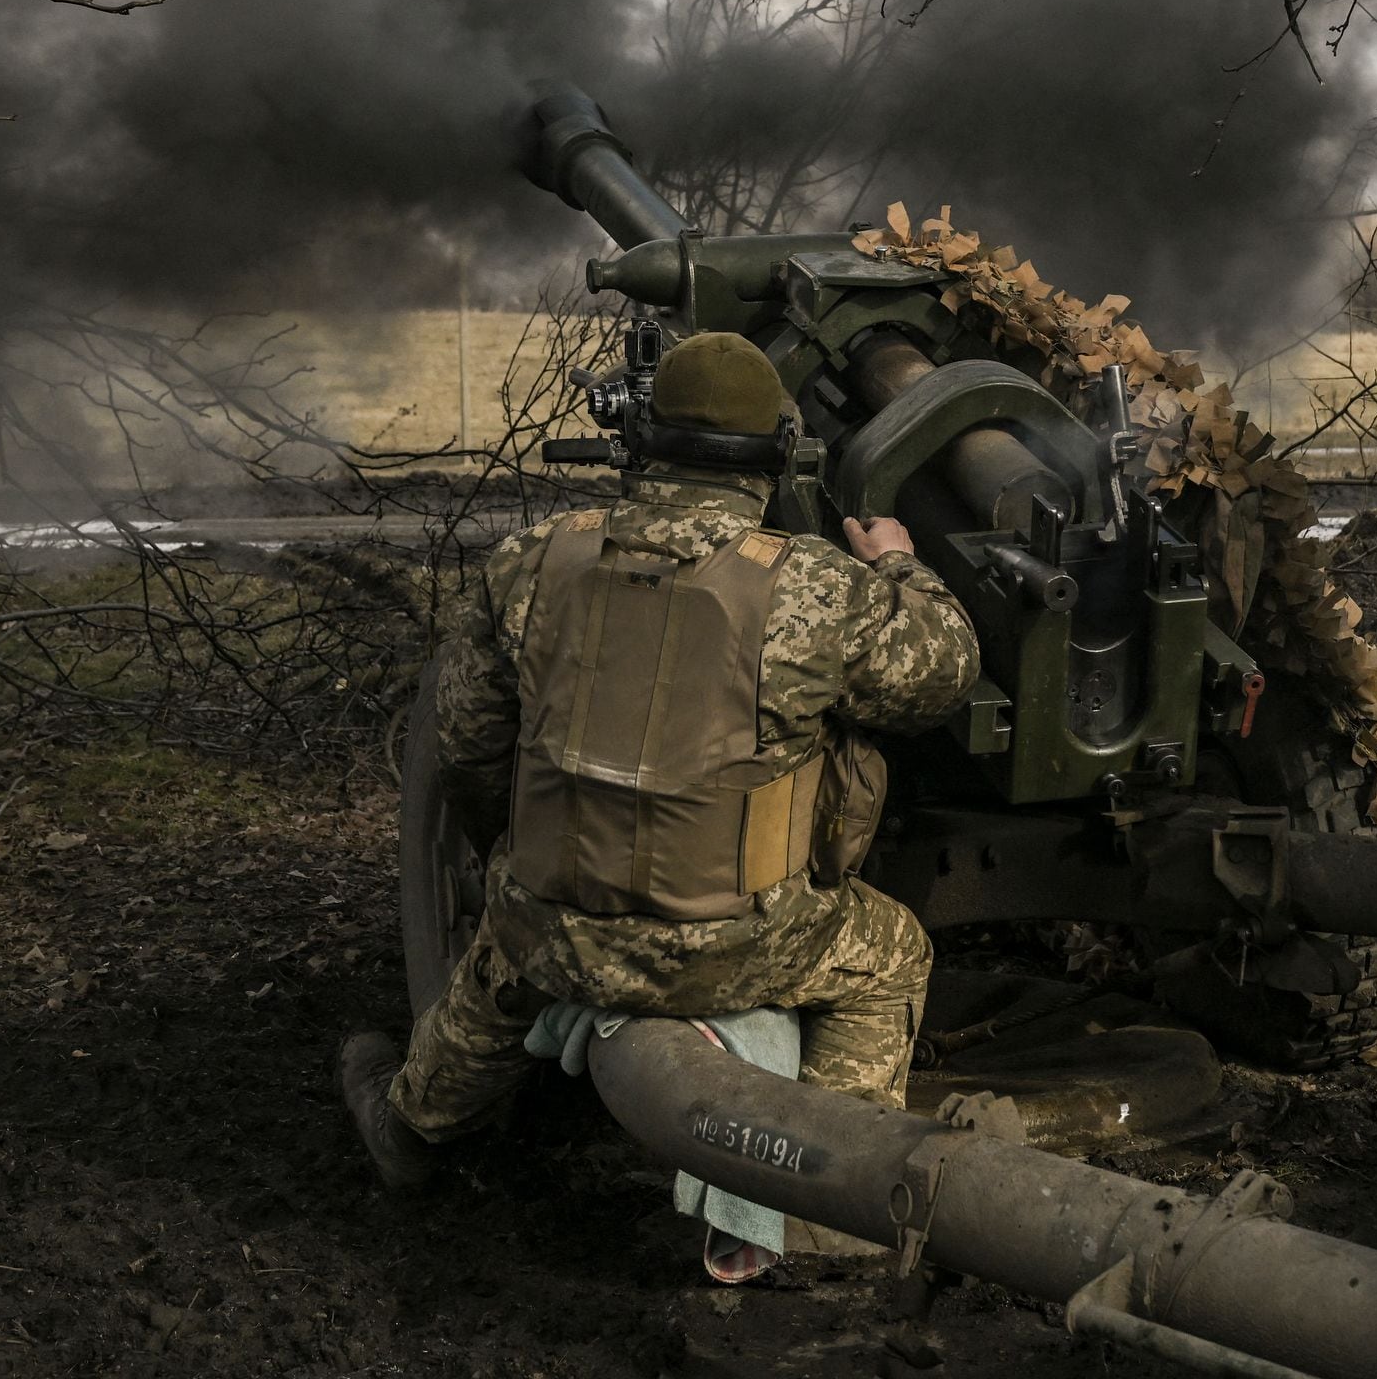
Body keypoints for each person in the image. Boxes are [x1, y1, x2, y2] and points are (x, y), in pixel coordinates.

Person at [338, 328, 983, 1199]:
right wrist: (900, 560)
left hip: (557, 929)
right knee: (892, 952)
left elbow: (465, 745)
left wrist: (535, 855)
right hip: (739, 947)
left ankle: (412, 1126)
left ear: (643, 445)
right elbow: (942, 672)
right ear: (775, 454)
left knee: (510, 937)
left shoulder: (531, 562)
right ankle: (833, 1190)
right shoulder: (815, 588)